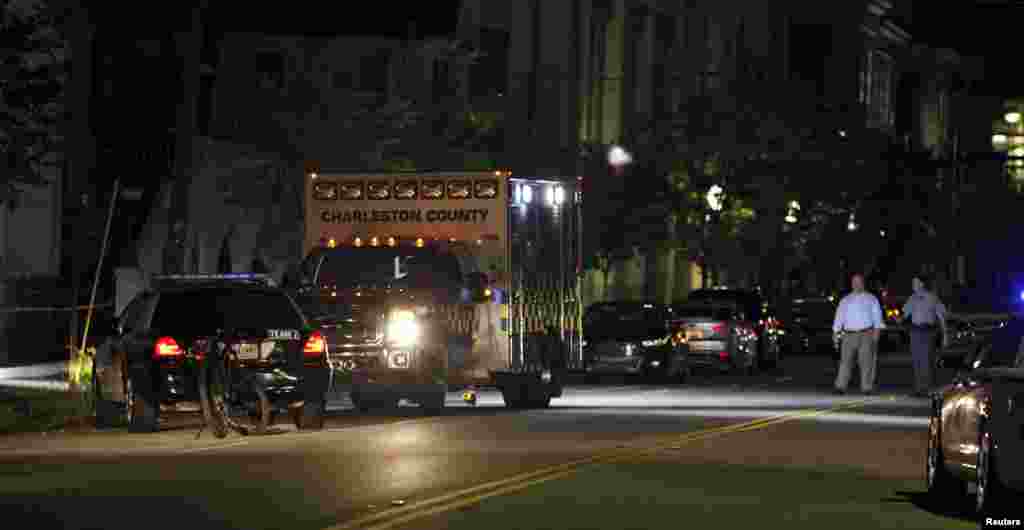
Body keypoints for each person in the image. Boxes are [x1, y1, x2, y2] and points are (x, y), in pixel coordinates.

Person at [832, 273, 885, 395]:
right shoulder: (845, 300)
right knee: (845, 361)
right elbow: (839, 316)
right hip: (848, 334)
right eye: (853, 282)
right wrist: (835, 332)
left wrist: (877, 332)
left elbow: (877, 316)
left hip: (866, 333)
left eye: (858, 282)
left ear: (863, 283)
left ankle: (867, 387)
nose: (855, 284)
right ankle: (840, 386)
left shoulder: (871, 298)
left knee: (866, 362)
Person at [901, 275, 948, 397]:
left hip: (927, 332)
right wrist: (897, 318)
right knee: (917, 360)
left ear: (922, 284)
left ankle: (927, 389)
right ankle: (918, 388)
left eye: (915, 283)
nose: (913, 285)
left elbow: (941, 316)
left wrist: (945, 334)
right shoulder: (912, 298)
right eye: (912, 283)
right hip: (915, 332)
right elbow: (905, 314)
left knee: (927, 360)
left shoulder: (932, 297)